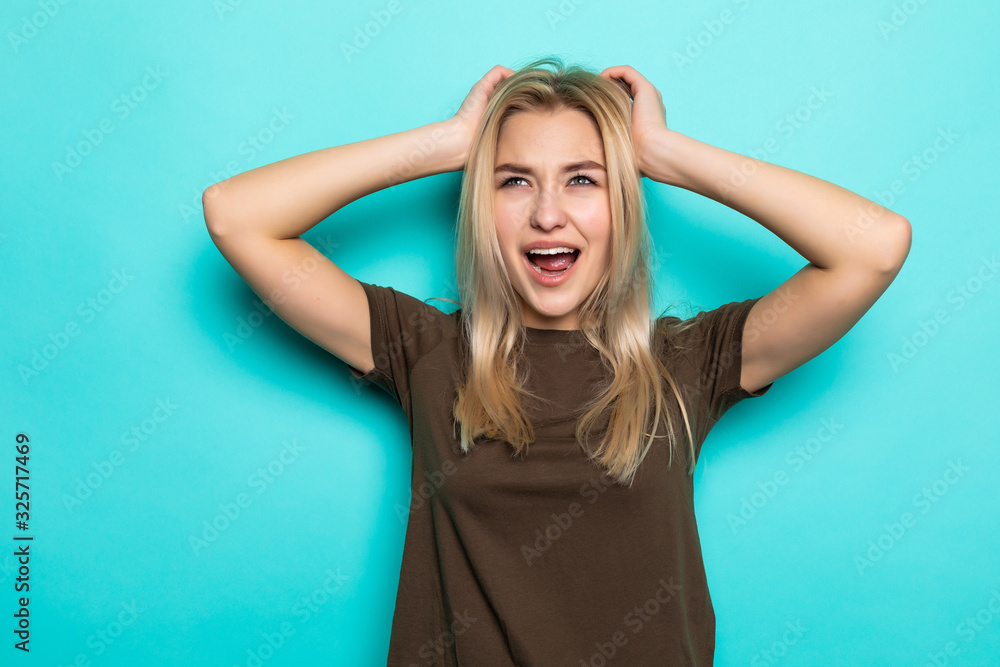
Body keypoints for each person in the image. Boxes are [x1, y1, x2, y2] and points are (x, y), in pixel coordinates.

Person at [204, 56, 910, 665]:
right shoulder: (425, 349)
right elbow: (237, 215)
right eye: (513, 181)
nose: (547, 214)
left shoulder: (689, 362)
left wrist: (666, 153)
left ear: (623, 200)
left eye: (584, 179)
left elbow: (873, 245)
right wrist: (449, 144)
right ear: (483, 204)